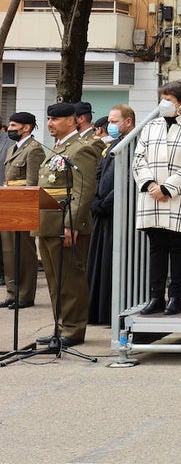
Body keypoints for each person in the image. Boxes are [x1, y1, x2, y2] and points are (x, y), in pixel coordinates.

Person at [131, 83, 181, 317]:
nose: (164, 103)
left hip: (179, 196)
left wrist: (166, 188)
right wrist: (151, 185)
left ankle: (175, 297)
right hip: (152, 195)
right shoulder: (150, 127)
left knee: (178, 247)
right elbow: (138, 159)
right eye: (162, 98)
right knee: (157, 248)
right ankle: (156, 296)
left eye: (168, 99)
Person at [35, 103, 100, 347]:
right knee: (54, 279)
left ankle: (73, 329)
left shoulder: (81, 148)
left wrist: (72, 223)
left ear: (71, 121)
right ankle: (60, 326)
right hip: (47, 222)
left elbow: (84, 189)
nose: (49, 124)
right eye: (49, 119)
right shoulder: (58, 147)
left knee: (70, 278)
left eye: (54, 119)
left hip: (66, 222)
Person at [88, 105, 134, 325]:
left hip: (118, 213)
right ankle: (97, 312)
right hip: (102, 212)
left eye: (115, 122)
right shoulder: (113, 144)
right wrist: (95, 199)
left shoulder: (134, 143)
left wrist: (106, 203)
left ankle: (111, 312)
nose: (110, 126)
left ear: (128, 122)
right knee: (99, 263)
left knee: (113, 265)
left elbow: (128, 179)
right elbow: (99, 173)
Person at [2, 112, 44, 310]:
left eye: (13, 125)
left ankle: (25, 294)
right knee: (9, 250)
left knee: (24, 251)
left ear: (26, 128)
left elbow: (32, 182)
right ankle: (12, 292)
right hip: (9, 203)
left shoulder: (34, 149)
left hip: (24, 205)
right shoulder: (13, 148)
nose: (10, 129)